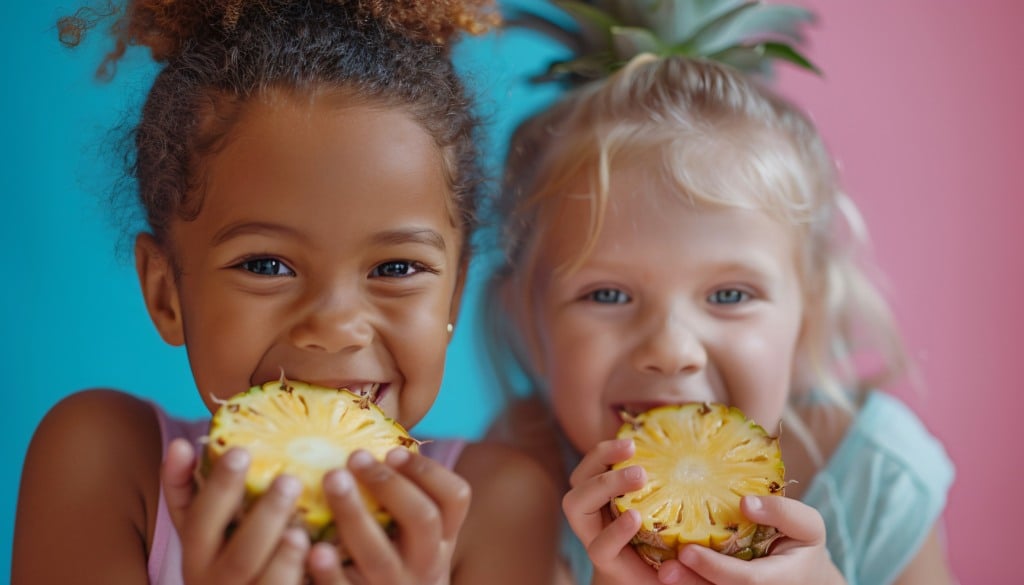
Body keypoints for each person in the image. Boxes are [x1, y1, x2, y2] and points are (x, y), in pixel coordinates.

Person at [12, 1, 561, 583]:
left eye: (397, 268)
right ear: (165, 291)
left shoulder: (499, 505)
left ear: (453, 295)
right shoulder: (105, 462)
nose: (334, 327)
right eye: (267, 265)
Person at [483, 54, 955, 585]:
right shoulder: (514, 487)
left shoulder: (877, 479)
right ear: (529, 322)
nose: (671, 349)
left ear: (806, 316)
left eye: (730, 294)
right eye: (608, 295)